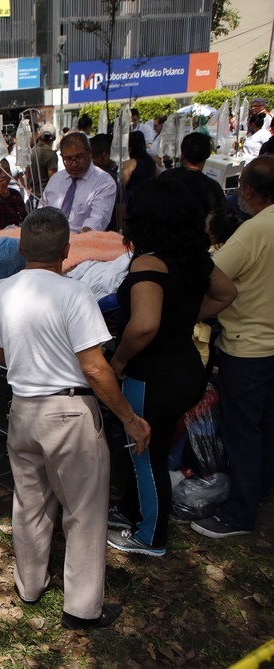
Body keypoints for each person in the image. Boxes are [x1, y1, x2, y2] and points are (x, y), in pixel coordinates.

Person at [0, 207, 150, 630]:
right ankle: (81, 607)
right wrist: (130, 418)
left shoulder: (4, 292)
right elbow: (95, 367)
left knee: (30, 504)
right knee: (84, 511)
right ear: (67, 250)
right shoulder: (74, 294)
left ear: (21, 248)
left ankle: (30, 585)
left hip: (23, 410)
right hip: (69, 412)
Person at [106, 180, 236, 557]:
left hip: (153, 377)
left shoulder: (149, 264)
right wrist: (182, 318)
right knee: (150, 450)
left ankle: (151, 537)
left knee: (147, 457)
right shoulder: (194, 257)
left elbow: (144, 325)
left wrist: (119, 359)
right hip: (186, 368)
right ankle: (130, 511)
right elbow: (227, 293)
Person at [192, 155, 274, 539]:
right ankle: (258, 492)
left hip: (250, 345)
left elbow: (214, 275)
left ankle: (239, 512)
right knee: (265, 426)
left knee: (243, 430)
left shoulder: (255, 230)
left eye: (240, 186)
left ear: (251, 191)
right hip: (264, 343)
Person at [39, 132, 117, 233]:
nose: (74, 164)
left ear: (90, 153)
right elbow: (40, 212)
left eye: (79, 157)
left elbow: (97, 221)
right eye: (68, 159)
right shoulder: (56, 179)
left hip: (84, 242)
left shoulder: (104, 182)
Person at [156, 131, 225, 223]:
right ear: (207, 155)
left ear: (182, 154)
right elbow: (221, 220)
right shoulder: (212, 187)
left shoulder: (165, 177)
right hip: (197, 235)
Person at [121, 131, 157, 206]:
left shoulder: (130, 163)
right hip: (150, 200)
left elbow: (121, 187)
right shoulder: (151, 161)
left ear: (130, 148)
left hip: (133, 202)